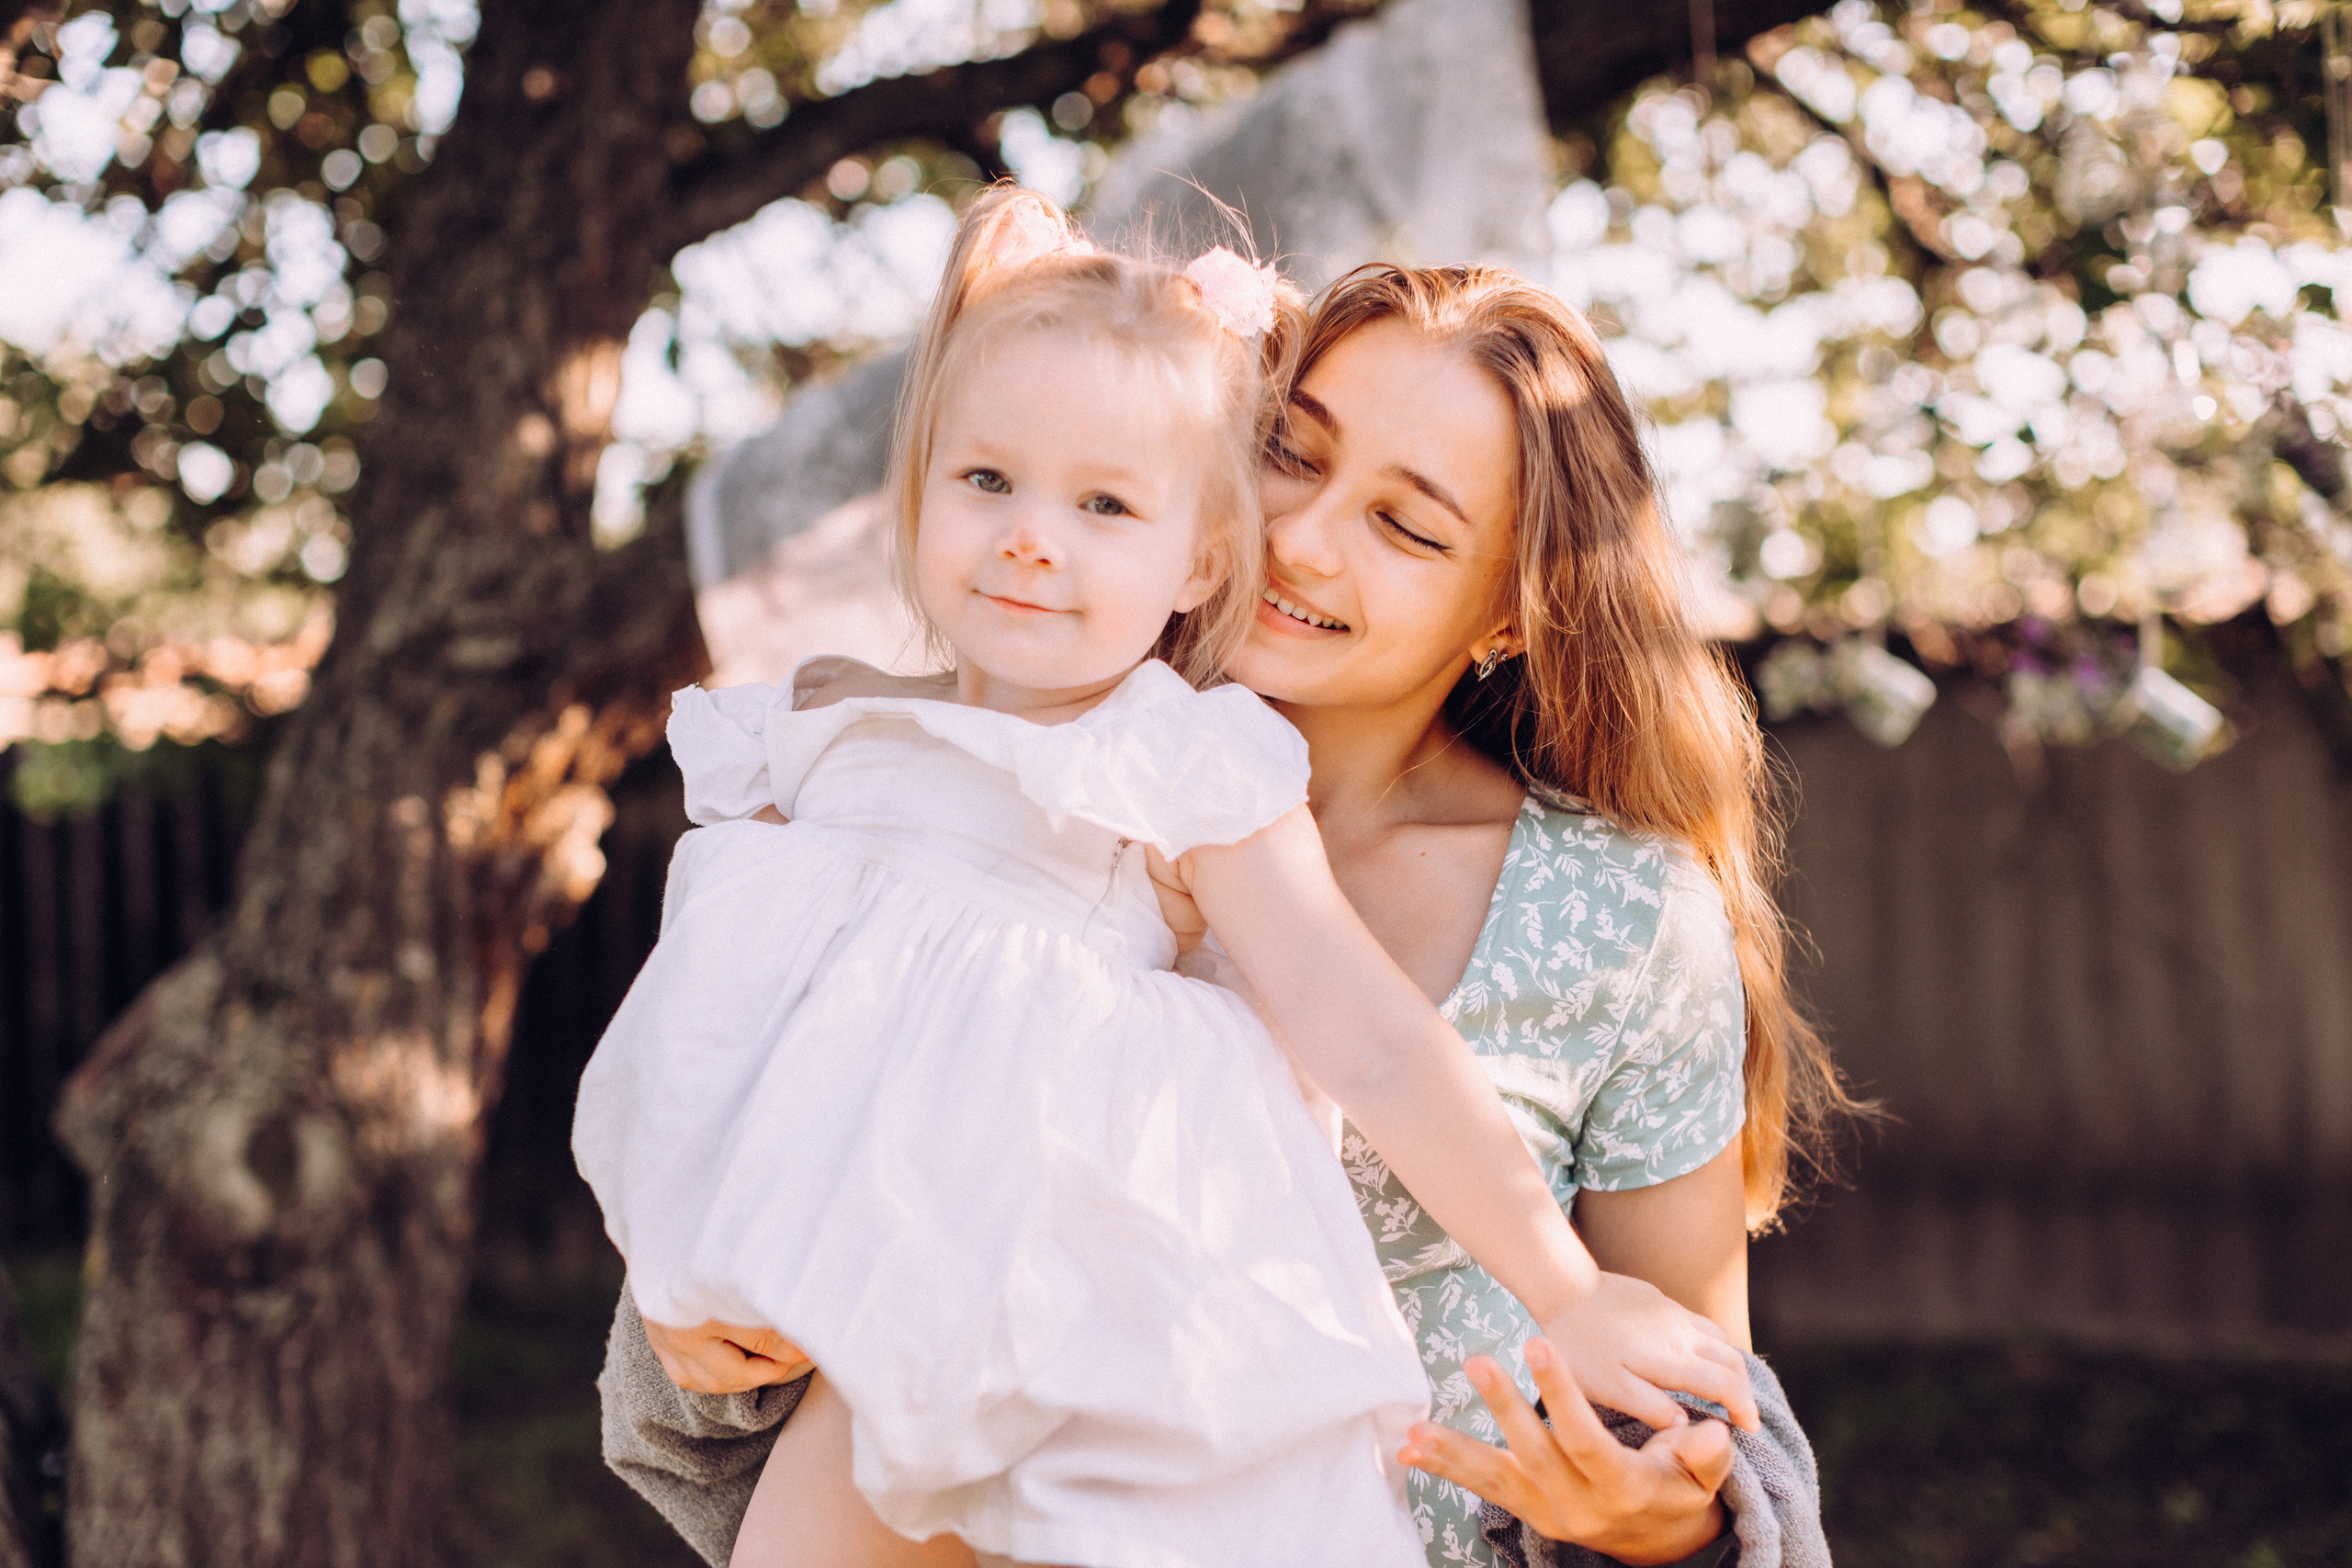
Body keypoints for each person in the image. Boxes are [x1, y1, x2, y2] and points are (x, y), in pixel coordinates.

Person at [572, 190, 1754, 1568]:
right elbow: (768, 1091)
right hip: (936, 1446)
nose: (1305, 539)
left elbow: (1701, 1413)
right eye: (1287, 458)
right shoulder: (937, 763)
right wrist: (688, 1296)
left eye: (1407, 525)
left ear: (1509, 608)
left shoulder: (1600, 920)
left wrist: (1660, 1509)